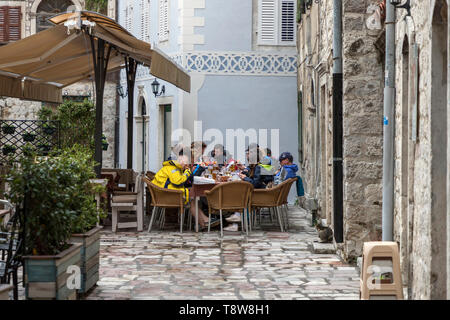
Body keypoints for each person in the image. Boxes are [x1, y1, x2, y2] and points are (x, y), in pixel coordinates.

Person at [151, 154, 219, 229]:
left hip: (164, 194)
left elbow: (180, 181)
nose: (187, 164)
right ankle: (204, 222)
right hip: (166, 196)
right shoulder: (173, 169)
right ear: (180, 161)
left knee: (193, 199)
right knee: (192, 200)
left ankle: (203, 222)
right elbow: (178, 181)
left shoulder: (171, 167)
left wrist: (189, 172)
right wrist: (187, 172)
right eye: (186, 162)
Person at [224, 144, 274, 231]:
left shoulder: (259, 167)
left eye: (248, 154)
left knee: (236, 194)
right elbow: (254, 176)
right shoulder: (257, 166)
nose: (247, 156)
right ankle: (236, 219)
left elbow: (254, 183)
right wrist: (245, 172)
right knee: (238, 192)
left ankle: (236, 220)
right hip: (258, 192)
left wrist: (244, 178)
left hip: (257, 195)